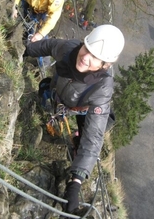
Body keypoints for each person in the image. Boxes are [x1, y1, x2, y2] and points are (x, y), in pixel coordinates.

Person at [25, 24, 125, 216]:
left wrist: (75, 182)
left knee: (99, 126)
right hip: (58, 96)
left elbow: (94, 137)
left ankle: (77, 142)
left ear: (106, 65)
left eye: (96, 57)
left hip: (80, 107)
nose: (86, 57)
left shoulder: (102, 88)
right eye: (87, 49)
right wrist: (25, 50)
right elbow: (48, 46)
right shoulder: (70, 48)